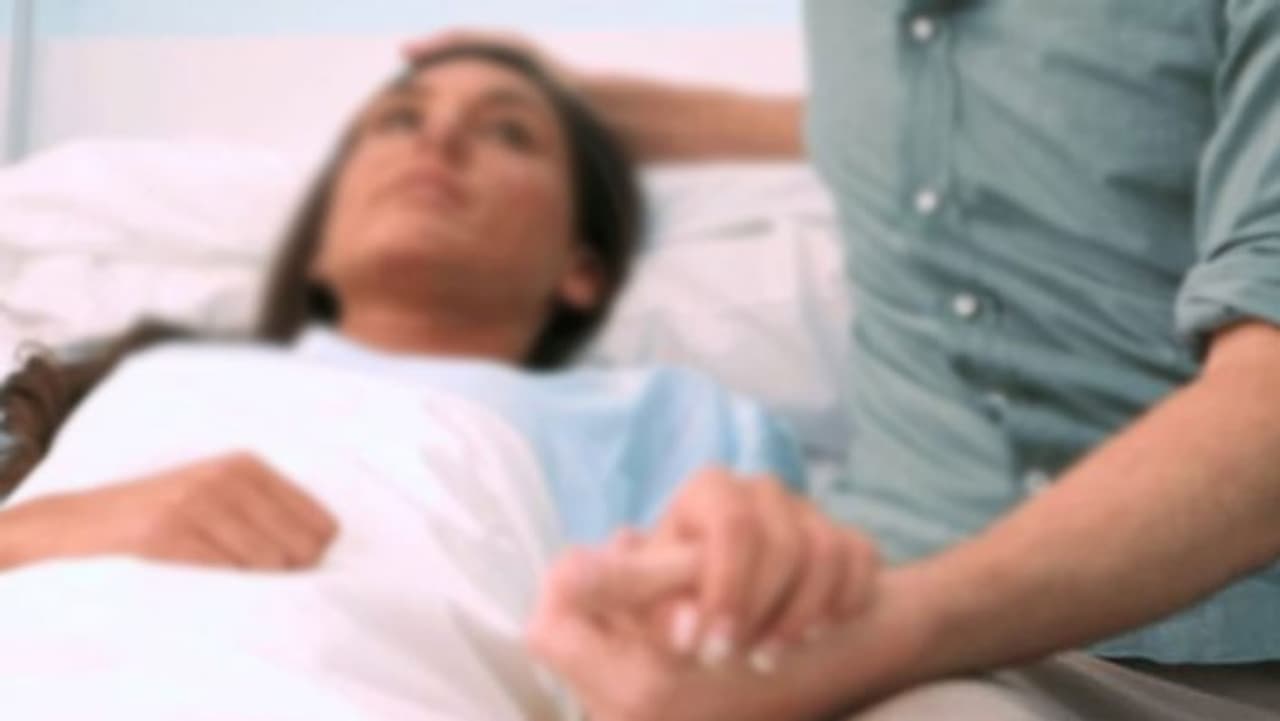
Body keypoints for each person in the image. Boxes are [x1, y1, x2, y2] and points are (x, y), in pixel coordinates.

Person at [407, 2, 1280, 719]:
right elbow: (990, 117)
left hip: (1191, 649)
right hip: (896, 607)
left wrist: (885, 629)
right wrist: (581, 110)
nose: (433, 148)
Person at [0, 43, 878, 720]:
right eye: (398, 121)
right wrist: (58, 525)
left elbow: (722, 669)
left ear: (581, 266)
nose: (439, 139)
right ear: (323, 231)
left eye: (509, 132)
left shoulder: (664, 414)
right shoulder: (133, 375)